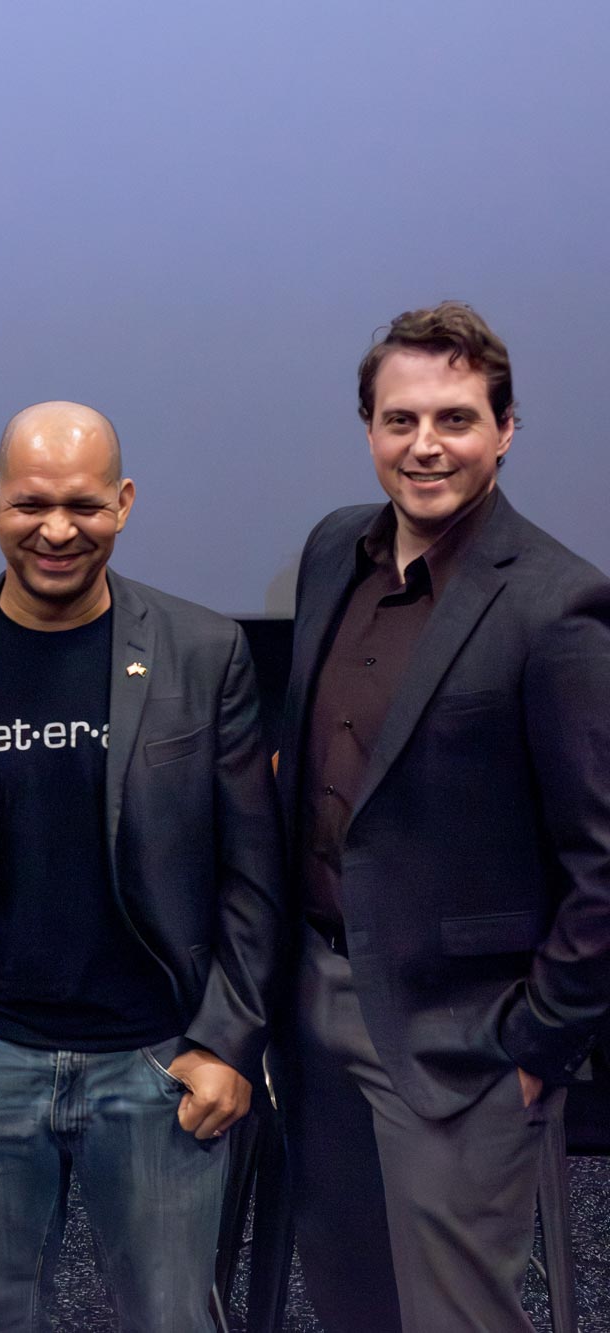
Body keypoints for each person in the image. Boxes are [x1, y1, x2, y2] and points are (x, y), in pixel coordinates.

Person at [0, 401, 283, 1330]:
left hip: (157, 1065)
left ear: (125, 502)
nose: (57, 530)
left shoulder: (203, 650)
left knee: (172, 1319)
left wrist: (228, 1039)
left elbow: (252, 871)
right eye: (31, 503)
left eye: (85, 505)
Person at [275, 303, 610, 1331]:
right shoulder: (335, 550)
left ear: (503, 430)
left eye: (455, 419)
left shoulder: (557, 605)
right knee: (350, 1303)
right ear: (368, 429)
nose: (424, 445)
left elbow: (601, 861)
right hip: (314, 1005)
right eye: (399, 419)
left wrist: (534, 1044)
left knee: (452, 1318)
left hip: (459, 1041)